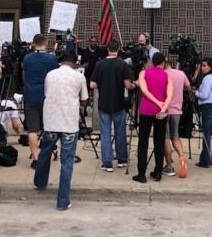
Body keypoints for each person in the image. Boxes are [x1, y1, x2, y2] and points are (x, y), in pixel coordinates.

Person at [34, 52, 89, 211]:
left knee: (45, 152)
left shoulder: (50, 74)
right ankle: (63, 201)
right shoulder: (78, 77)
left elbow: (47, 94)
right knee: (67, 162)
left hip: (51, 121)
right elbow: (84, 100)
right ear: (74, 62)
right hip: (69, 124)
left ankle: (40, 181)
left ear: (62, 61)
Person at [90, 39, 135, 172]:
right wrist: (135, 85)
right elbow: (128, 85)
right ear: (119, 49)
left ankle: (107, 163)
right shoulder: (122, 64)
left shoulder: (100, 64)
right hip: (119, 103)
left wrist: (102, 84)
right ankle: (121, 160)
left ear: (107, 49)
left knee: (105, 133)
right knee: (120, 132)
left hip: (103, 103)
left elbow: (92, 84)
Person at [133, 52, 173, 183]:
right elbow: (169, 95)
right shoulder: (167, 75)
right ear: (163, 62)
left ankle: (141, 174)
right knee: (159, 141)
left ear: (152, 61)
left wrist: (156, 102)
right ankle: (157, 172)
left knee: (143, 142)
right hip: (161, 111)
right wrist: (162, 107)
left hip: (146, 110)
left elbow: (144, 91)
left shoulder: (144, 73)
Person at [22, 34, 60, 169]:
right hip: (46, 96)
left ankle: (36, 158)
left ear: (33, 43)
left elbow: (24, 74)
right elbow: (55, 76)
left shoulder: (27, 58)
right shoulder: (51, 58)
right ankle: (46, 155)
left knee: (32, 129)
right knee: (48, 127)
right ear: (45, 42)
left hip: (30, 95)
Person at [162, 60, 191, 178]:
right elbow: (188, 88)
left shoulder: (163, 75)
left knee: (166, 138)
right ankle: (181, 156)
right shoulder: (181, 73)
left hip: (164, 110)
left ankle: (169, 166)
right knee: (175, 136)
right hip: (177, 111)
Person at [195, 57, 212, 169]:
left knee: (206, 133)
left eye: (205, 65)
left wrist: (196, 92)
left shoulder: (207, 78)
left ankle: (205, 160)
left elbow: (204, 95)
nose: (202, 68)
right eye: (202, 65)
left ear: (210, 66)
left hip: (208, 106)